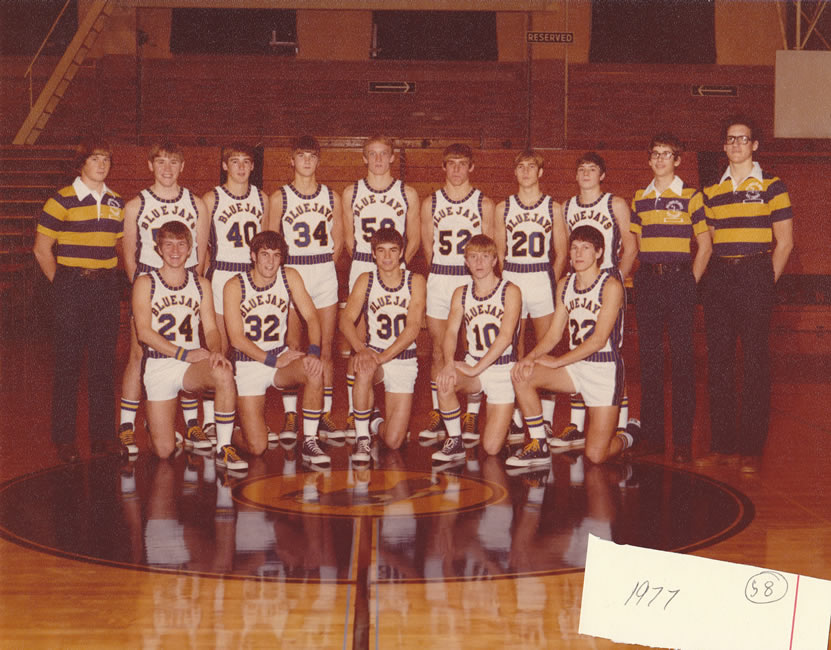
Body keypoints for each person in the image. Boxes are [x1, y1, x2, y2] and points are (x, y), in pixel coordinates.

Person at [699, 114, 794, 473]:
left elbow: (784, 243)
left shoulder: (773, 185)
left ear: (755, 145)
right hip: (720, 274)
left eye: (743, 139)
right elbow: (706, 244)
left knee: (755, 362)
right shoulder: (711, 190)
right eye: (730, 139)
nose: (736, 144)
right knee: (719, 362)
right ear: (724, 146)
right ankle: (722, 445)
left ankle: (751, 450)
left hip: (756, 271)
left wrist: (765, 282)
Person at [508, 226, 636, 468]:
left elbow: (599, 340)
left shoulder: (611, 286)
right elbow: (555, 333)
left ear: (599, 253)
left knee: (596, 455)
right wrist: (531, 357)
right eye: (574, 248)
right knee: (521, 374)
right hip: (574, 368)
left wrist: (557, 361)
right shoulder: (565, 284)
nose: (578, 254)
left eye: (586, 248)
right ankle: (538, 444)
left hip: (604, 370)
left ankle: (630, 434)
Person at [33, 138, 125, 463]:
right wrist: (62, 286)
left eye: (106, 159)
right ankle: (65, 439)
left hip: (106, 289)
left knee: (103, 366)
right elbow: (42, 249)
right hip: (71, 284)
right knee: (68, 365)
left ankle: (102, 437)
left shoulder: (116, 202)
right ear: (81, 163)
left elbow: (115, 247)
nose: (102, 164)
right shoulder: (60, 200)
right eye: (95, 159)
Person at [119, 142, 210, 453]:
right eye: (161, 162)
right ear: (150, 166)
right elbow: (129, 255)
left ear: (182, 167)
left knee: (189, 349)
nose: (168, 168)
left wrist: (191, 288)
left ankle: (192, 423)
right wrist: (143, 288)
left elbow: (202, 252)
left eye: (174, 162)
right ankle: (127, 426)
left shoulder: (197, 204)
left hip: (185, 282)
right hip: (149, 284)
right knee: (139, 355)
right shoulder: (135, 205)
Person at [132, 221, 244, 471]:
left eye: (181, 244)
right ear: (158, 249)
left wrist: (215, 351)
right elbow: (144, 333)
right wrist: (184, 353)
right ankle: (153, 423)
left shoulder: (201, 284)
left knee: (224, 372)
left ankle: (224, 446)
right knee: (163, 451)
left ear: (190, 248)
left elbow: (212, 329)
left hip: (189, 366)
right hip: (160, 365)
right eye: (168, 244)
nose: (175, 250)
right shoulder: (145, 283)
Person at [630, 134, 712, 463]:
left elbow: (704, 245)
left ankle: (681, 441)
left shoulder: (691, 197)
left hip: (680, 281)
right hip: (648, 281)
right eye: (656, 154)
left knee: (681, 363)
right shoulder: (639, 198)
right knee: (649, 363)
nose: (661, 159)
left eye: (668, 154)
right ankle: (652, 437)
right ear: (649, 160)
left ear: (678, 160)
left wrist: (689, 282)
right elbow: (635, 248)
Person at [224, 230, 329, 466]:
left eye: (276, 255)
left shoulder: (289, 276)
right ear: (253, 256)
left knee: (314, 368)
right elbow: (236, 339)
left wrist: (313, 352)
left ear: (282, 258)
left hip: (279, 355)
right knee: (257, 447)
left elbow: (312, 317)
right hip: (248, 362)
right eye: (264, 254)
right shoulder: (234, 285)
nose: (270, 261)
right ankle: (230, 431)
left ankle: (310, 441)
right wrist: (272, 361)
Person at [557, 152, 637, 448]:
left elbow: (630, 247)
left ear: (603, 175)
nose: (586, 174)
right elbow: (570, 245)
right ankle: (576, 425)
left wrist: (614, 281)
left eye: (592, 169)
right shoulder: (567, 207)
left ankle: (621, 423)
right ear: (575, 176)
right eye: (581, 169)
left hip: (606, 281)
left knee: (611, 351)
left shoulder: (614, 204)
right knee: (576, 346)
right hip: (579, 281)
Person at [342, 135, 420, 431]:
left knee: (391, 333)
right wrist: (370, 263)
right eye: (371, 154)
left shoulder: (407, 193)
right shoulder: (352, 191)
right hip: (365, 262)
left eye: (383, 154)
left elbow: (412, 238)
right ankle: (357, 411)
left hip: (393, 264)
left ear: (391, 158)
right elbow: (349, 239)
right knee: (358, 341)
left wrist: (395, 266)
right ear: (364, 158)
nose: (377, 159)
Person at [269, 135, 342, 442]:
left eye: (312, 156)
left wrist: (323, 266)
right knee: (292, 346)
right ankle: (290, 415)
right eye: (301, 156)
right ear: (292, 160)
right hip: (292, 272)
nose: (307, 161)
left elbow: (338, 241)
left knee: (324, 347)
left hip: (323, 271)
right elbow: (270, 241)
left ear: (319, 161)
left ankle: (320, 414)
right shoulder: (279, 198)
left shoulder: (331, 197)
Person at [420, 143, 495, 440]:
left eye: (462, 163)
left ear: (471, 167)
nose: (456, 169)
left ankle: (472, 416)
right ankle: (441, 411)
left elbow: (489, 248)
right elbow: (428, 248)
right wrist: (442, 272)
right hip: (440, 278)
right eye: (451, 163)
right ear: (443, 167)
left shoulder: (483, 204)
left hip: (471, 279)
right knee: (439, 349)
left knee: (473, 349)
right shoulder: (431, 203)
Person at [493, 148, 568, 438]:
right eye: (521, 167)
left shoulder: (553, 208)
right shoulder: (504, 208)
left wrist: (551, 282)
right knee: (512, 349)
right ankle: (513, 415)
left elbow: (561, 253)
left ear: (540, 172)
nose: (526, 171)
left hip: (541, 279)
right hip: (512, 276)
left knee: (546, 348)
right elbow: (499, 252)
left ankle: (545, 418)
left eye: (531, 167)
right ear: (514, 172)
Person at [431, 234, 521, 465]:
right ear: (466, 262)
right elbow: (450, 332)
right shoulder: (461, 292)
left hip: (502, 370)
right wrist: (450, 363)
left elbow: (505, 338)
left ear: (494, 261)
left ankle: (510, 416)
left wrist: (474, 369)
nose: (479, 263)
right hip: (474, 362)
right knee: (445, 380)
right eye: (473, 257)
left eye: (485, 257)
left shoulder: (510, 291)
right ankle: (455, 441)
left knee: (491, 449)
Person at [339, 227, 426, 461]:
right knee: (363, 367)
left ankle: (374, 422)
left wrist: (382, 357)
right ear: (373, 254)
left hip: (403, 360)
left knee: (394, 441)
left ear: (401, 253)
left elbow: (413, 327)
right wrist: (362, 349)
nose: (387, 257)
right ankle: (362, 439)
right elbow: (346, 320)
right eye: (381, 251)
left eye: (393, 251)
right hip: (374, 355)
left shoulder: (415, 281)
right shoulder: (366, 280)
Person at [203, 143, 268, 354]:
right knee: (221, 345)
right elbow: (202, 244)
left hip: (252, 273)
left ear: (252, 167)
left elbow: (266, 243)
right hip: (221, 271)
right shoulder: (211, 199)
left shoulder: (262, 198)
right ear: (224, 166)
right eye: (234, 161)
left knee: (250, 342)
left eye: (246, 162)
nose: (241, 167)